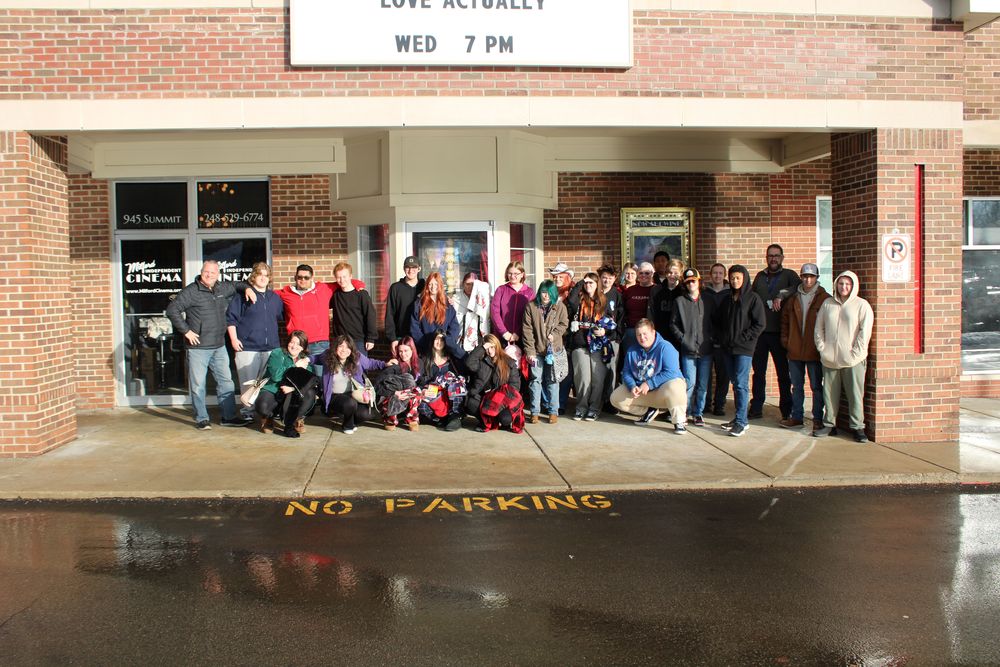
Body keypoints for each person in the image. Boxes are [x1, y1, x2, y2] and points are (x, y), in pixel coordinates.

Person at [165, 260, 248, 430]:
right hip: (198, 348)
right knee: (198, 385)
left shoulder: (221, 288)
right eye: (206, 272)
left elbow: (238, 284)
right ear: (201, 272)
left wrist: (247, 289)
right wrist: (186, 331)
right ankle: (202, 418)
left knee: (226, 383)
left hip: (218, 346)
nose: (209, 275)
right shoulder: (191, 291)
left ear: (218, 274)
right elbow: (172, 310)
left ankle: (228, 416)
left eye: (213, 272)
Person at [813, 270, 874, 443]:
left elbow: (864, 332)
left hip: (853, 360)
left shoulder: (862, 305)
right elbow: (819, 328)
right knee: (830, 394)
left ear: (853, 285)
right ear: (836, 285)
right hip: (830, 358)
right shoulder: (827, 304)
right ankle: (829, 424)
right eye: (841, 283)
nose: (844, 287)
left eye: (847, 284)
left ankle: (857, 427)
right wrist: (822, 348)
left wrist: (856, 353)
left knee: (855, 394)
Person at [276, 264, 364, 373]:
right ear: (295, 277)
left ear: (312, 278)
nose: (303, 280)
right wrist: (247, 288)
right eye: (299, 277)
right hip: (297, 345)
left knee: (321, 377)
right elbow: (264, 292)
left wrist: (357, 283)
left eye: (306, 277)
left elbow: (343, 281)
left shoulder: (323, 288)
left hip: (319, 344)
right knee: (298, 378)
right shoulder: (286, 293)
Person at [226, 261, 284, 422]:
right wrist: (233, 339)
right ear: (254, 276)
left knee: (270, 382)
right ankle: (248, 411)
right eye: (260, 274)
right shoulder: (242, 296)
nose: (263, 278)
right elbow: (231, 319)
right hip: (247, 347)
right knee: (248, 382)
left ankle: (267, 410)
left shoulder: (274, 298)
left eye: (266, 275)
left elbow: (281, 316)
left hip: (270, 348)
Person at [749, 244, 801, 420]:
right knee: (759, 373)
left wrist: (781, 294)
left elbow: (798, 287)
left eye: (776, 256)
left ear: (782, 258)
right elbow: (752, 298)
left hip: (780, 333)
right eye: (770, 256)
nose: (773, 259)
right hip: (761, 334)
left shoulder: (789, 275)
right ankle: (756, 407)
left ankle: (786, 410)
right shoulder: (760, 277)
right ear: (766, 258)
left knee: (783, 374)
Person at [610, 318, 688, 434]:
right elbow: (626, 372)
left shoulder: (665, 347)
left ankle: (679, 421)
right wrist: (632, 386)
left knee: (676, 384)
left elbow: (672, 372)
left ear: (653, 332)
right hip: (643, 392)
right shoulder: (632, 351)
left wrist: (649, 383)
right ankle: (648, 411)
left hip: (662, 391)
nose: (642, 338)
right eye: (639, 335)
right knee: (616, 398)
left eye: (645, 334)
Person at [780, 263, 830, 432]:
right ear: (801, 277)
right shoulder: (793, 298)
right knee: (797, 386)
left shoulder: (824, 298)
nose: (808, 279)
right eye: (805, 276)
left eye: (811, 276)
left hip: (814, 351)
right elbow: (785, 321)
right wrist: (786, 341)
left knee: (816, 387)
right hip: (794, 350)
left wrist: (822, 346)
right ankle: (797, 417)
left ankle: (817, 418)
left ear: (816, 278)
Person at [717, 265, 766, 437]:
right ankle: (739, 417)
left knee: (741, 384)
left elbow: (760, 324)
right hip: (728, 348)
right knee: (735, 383)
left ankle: (741, 422)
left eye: (738, 278)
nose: (735, 281)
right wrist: (722, 339)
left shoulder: (753, 299)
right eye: (732, 278)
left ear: (744, 278)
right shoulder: (727, 298)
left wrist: (744, 337)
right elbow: (719, 322)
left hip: (744, 349)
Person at [567, 272, 617, 421]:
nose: (588, 285)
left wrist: (605, 331)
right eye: (586, 283)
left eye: (591, 283)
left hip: (598, 344)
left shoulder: (604, 301)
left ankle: (594, 408)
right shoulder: (579, 300)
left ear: (598, 285)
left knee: (597, 379)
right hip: (580, 343)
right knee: (583, 379)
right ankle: (581, 407)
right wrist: (580, 282)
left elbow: (612, 323)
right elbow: (570, 299)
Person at [317, 335, 389, 435]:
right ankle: (348, 425)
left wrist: (385, 364)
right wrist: (305, 359)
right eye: (341, 346)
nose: (344, 350)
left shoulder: (357, 357)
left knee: (367, 414)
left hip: (354, 393)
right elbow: (315, 358)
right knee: (350, 404)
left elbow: (371, 363)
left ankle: (351, 419)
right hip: (335, 396)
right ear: (335, 347)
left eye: (347, 347)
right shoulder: (327, 356)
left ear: (351, 349)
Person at [669, 268, 714, 427]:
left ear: (699, 281)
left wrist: (711, 339)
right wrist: (683, 339)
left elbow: (715, 322)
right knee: (689, 382)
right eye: (688, 282)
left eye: (693, 281)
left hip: (706, 349)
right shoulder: (679, 302)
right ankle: (685, 412)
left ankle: (698, 413)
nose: (691, 284)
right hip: (688, 350)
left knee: (703, 383)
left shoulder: (708, 300)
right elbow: (673, 324)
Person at [253, 330, 317, 438]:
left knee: (310, 393)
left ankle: (297, 418)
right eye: (292, 342)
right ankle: (268, 418)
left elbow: (308, 382)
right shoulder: (277, 353)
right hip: (274, 388)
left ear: (303, 347)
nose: (294, 346)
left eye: (299, 344)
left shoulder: (304, 359)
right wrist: (295, 366)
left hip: (291, 392)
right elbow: (276, 376)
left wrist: (292, 388)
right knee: (262, 406)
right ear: (288, 342)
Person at [522, 279, 569, 424]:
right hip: (536, 351)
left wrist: (554, 334)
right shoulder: (531, 306)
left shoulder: (559, 306)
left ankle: (553, 411)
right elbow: (527, 330)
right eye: (543, 292)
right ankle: (535, 412)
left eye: (549, 293)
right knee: (535, 380)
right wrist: (529, 351)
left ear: (553, 293)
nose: (545, 296)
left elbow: (564, 323)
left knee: (552, 380)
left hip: (553, 351)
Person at [464, 334, 524, 433]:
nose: (490, 351)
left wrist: (499, 398)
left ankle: (495, 419)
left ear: (497, 346)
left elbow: (515, 386)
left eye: (492, 347)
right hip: (485, 399)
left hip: (502, 401)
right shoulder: (481, 362)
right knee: (470, 403)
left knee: (505, 419)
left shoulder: (509, 362)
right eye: (487, 348)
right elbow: (469, 364)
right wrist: (482, 348)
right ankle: (487, 421)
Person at [417, 330, 467, 431]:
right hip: (433, 395)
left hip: (450, 396)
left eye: (442, 340)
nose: (439, 342)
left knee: (456, 385)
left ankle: (455, 416)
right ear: (432, 341)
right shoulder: (424, 359)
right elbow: (420, 380)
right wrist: (423, 389)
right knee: (421, 406)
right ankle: (439, 419)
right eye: (436, 339)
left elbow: (463, 373)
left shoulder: (452, 359)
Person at [411, 271, 464, 359]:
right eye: (430, 284)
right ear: (427, 285)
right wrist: (426, 344)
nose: (433, 287)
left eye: (436, 284)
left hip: (444, 351)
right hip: (426, 351)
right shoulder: (418, 304)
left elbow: (454, 327)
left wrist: (447, 342)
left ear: (440, 285)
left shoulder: (447, 305)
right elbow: (414, 328)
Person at [702, 263, 731, 416]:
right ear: (710, 275)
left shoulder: (730, 293)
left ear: (724, 275)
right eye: (715, 273)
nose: (717, 276)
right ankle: (706, 404)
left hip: (724, 340)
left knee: (723, 374)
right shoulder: (704, 293)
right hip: (707, 339)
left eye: (720, 273)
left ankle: (719, 404)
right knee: (706, 375)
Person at [376, 336, 422, 432]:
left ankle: (411, 418)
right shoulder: (394, 365)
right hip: (393, 396)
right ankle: (390, 419)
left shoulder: (419, 363)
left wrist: (424, 389)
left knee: (417, 390)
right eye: (400, 351)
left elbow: (423, 382)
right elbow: (377, 386)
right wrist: (395, 393)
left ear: (412, 350)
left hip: (410, 399)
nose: (403, 354)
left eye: (406, 351)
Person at [330, 262, 378, 352]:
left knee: (359, 366)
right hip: (340, 341)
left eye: (344, 276)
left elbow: (370, 315)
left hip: (358, 341)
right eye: (338, 277)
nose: (342, 280)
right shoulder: (335, 295)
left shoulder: (361, 294)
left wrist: (371, 338)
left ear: (350, 276)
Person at [548, 262, 576, 414]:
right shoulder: (550, 292)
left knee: (565, 371)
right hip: (552, 338)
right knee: (551, 370)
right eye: (555, 276)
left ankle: (561, 403)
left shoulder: (573, 293)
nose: (557, 279)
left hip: (568, 338)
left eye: (560, 276)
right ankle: (551, 402)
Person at [597, 264, 626, 411]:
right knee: (598, 370)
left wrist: (617, 336)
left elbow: (621, 318)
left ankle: (611, 401)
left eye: (609, 278)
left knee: (612, 370)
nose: (606, 280)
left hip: (612, 338)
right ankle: (599, 400)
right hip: (596, 338)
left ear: (614, 279)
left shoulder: (617, 295)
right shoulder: (596, 293)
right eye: (604, 278)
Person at [384, 255, 424, 352]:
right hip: (401, 338)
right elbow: (390, 314)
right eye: (407, 267)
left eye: (414, 267)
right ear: (404, 269)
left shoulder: (425, 287)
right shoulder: (395, 288)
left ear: (419, 268)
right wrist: (392, 339)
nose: (410, 270)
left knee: (421, 366)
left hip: (422, 337)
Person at [490, 261, 535, 347]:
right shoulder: (501, 290)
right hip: (502, 337)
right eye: (510, 273)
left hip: (522, 337)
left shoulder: (529, 292)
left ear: (522, 274)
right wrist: (504, 332)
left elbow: (531, 316)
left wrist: (518, 333)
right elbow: (495, 313)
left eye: (516, 273)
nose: (512, 276)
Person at [621, 262, 658, 355]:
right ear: (637, 274)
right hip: (631, 331)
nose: (643, 275)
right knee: (631, 359)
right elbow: (622, 310)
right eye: (641, 273)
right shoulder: (630, 290)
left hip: (649, 332)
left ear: (652, 274)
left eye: (647, 273)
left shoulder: (657, 290)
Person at [453, 271, 491, 353]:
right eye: (467, 284)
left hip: (479, 340)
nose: (470, 287)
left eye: (473, 284)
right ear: (463, 284)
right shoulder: (455, 299)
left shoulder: (482, 298)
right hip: (460, 341)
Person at [651, 257, 685, 343]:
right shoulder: (656, 290)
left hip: (679, 334)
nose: (672, 275)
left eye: (675, 273)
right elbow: (651, 312)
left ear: (681, 274)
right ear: (666, 273)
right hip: (660, 334)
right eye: (670, 272)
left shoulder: (683, 291)